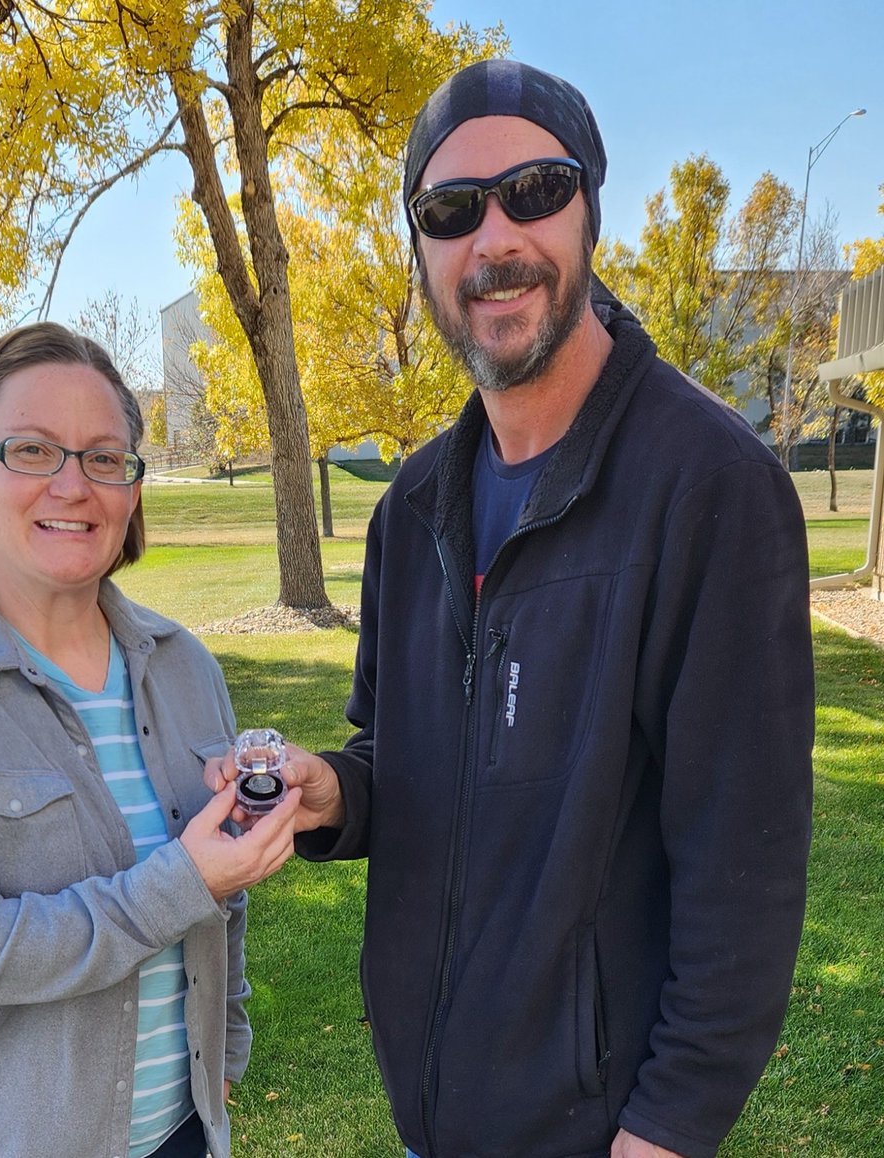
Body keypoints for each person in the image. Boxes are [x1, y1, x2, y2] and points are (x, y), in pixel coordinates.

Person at [207, 60, 814, 1158]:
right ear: (423, 250)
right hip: (429, 1116)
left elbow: (747, 868)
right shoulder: (413, 507)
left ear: (589, 211)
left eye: (534, 190)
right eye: (451, 210)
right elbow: (404, 762)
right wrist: (332, 792)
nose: (495, 239)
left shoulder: (710, 488)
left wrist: (666, 1132)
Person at [0, 322, 300, 1158]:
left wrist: (223, 1055)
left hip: (179, 1134)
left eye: (105, 457)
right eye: (34, 451)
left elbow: (223, 895)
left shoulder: (185, 668)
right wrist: (180, 881)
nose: (74, 486)